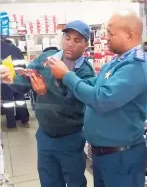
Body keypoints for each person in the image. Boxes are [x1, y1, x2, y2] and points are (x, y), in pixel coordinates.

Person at [42, 11, 147, 187]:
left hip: (122, 158)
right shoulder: (116, 61)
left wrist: (67, 76)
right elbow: (94, 83)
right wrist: (56, 82)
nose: (106, 37)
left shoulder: (135, 67)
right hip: (104, 155)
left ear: (129, 35)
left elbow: (102, 99)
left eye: (111, 33)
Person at [1, 20, 95, 187]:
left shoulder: (85, 72)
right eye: (67, 37)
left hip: (71, 138)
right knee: (49, 181)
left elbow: (80, 99)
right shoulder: (46, 58)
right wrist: (11, 78)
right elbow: (26, 78)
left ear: (86, 45)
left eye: (77, 40)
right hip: (45, 135)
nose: (70, 44)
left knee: (75, 182)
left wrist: (48, 90)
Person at [1, 38, 30, 129]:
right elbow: (23, 64)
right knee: (20, 100)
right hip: (18, 77)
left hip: (6, 78)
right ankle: (24, 120)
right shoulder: (15, 48)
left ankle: (11, 124)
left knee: (8, 101)